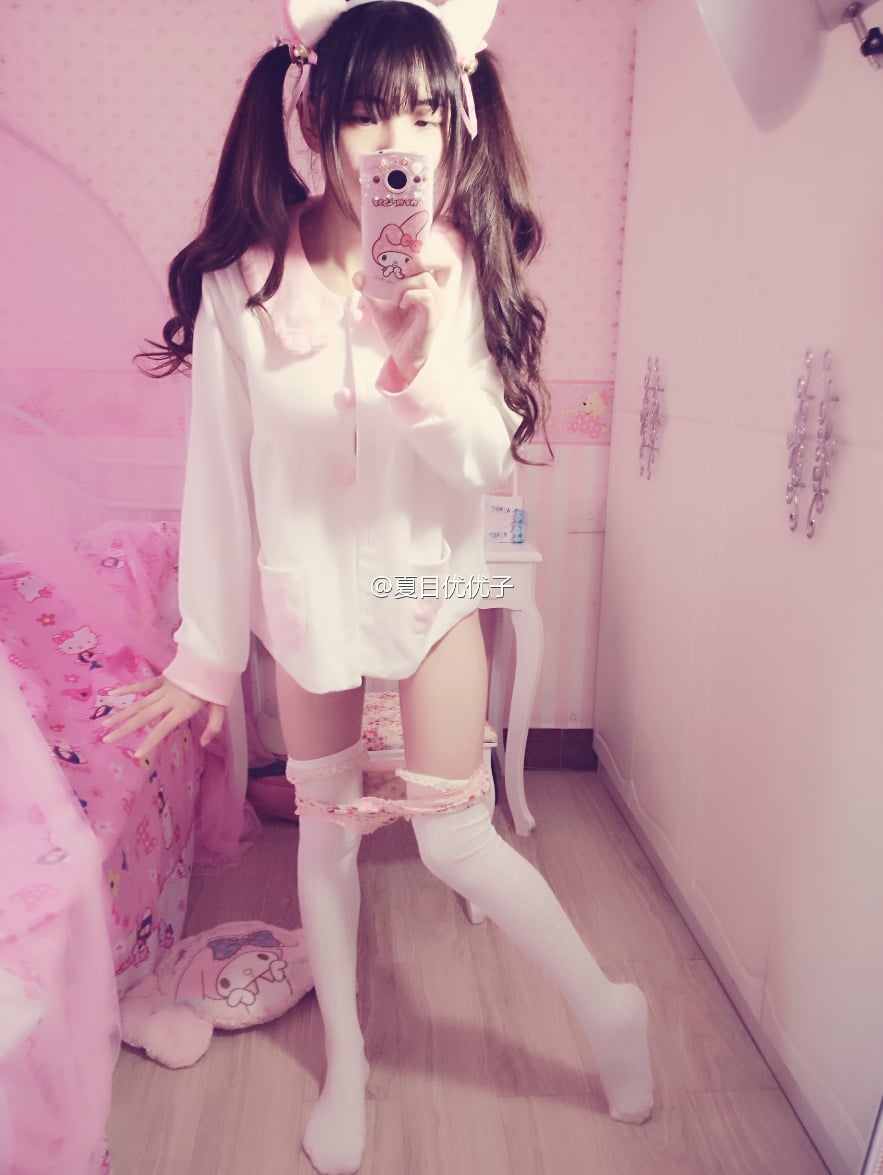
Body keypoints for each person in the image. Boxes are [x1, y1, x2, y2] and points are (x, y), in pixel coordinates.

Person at [103, 2, 654, 1172]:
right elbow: (218, 478)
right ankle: (347, 1061)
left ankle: (608, 1006)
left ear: (454, 125)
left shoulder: (455, 262)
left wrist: (415, 359)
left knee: (454, 841)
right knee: (328, 839)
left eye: (421, 114)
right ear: (313, 120)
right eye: (364, 113)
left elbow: (485, 455)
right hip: (309, 601)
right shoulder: (243, 283)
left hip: (430, 581)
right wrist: (206, 652)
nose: (394, 142)